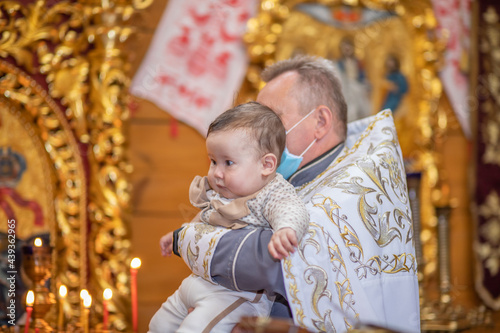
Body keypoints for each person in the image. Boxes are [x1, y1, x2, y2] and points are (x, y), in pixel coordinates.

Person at [173, 55, 420, 332]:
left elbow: (266, 259)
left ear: (320, 121)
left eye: (272, 119)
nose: (256, 134)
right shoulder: (296, 178)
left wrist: (183, 237)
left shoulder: (349, 190)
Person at [148, 102, 310, 332]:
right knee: (158, 325)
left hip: (235, 295)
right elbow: (205, 220)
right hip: (197, 282)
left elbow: (291, 208)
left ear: (266, 164)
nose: (217, 173)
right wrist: (179, 233)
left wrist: (286, 229)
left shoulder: (271, 192)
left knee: (195, 328)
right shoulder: (223, 191)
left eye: (228, 163)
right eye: (213, 161)